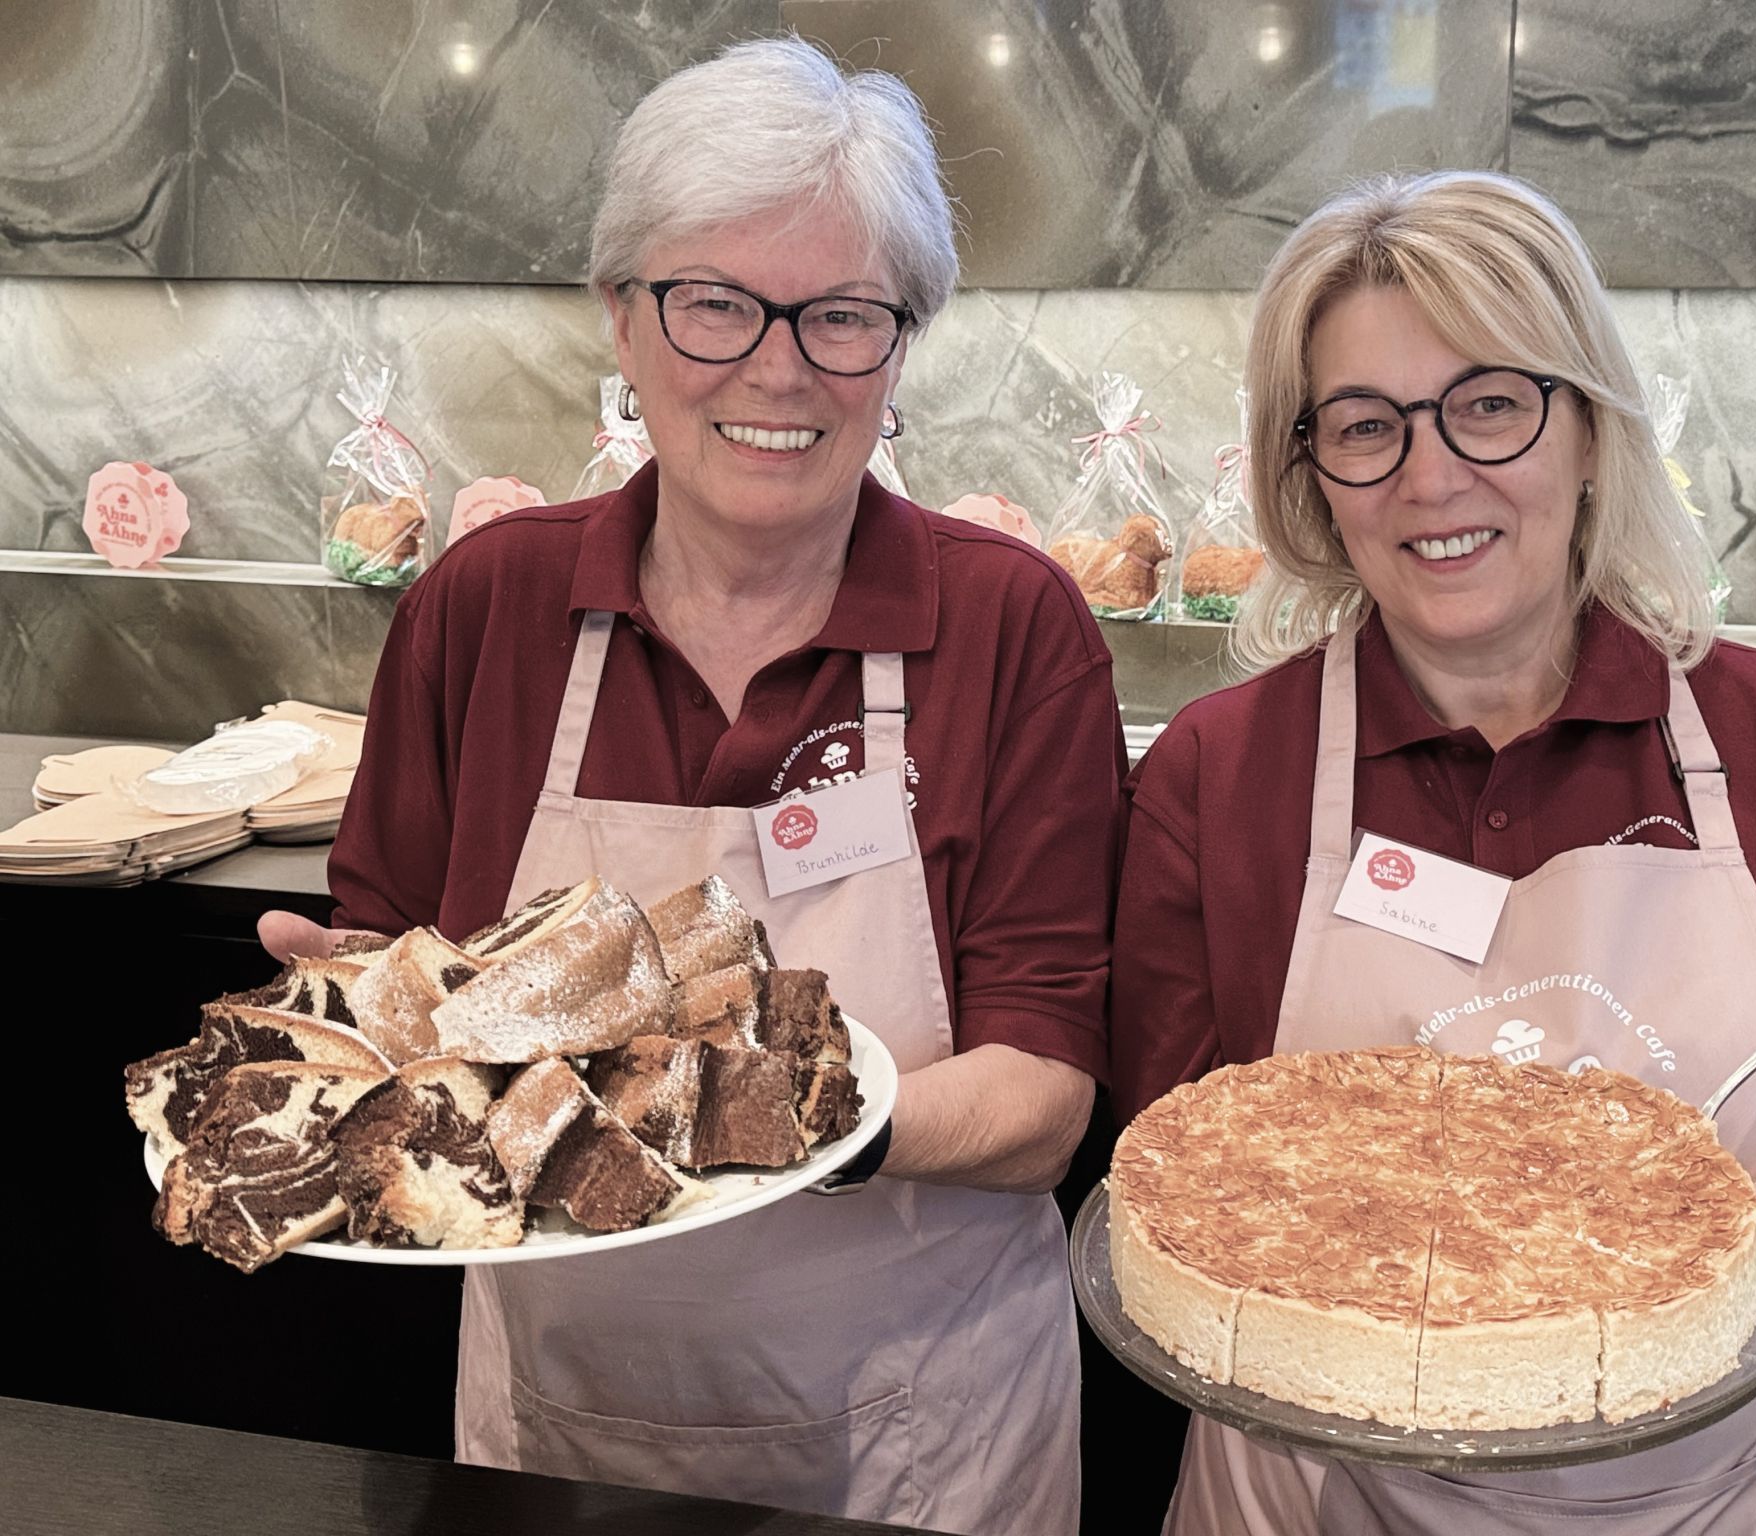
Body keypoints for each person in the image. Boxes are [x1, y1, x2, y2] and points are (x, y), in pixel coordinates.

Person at [263, 39, 1121, 1535]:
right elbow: (395, 973)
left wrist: (699, 1126)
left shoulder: (1010, 626)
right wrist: (352, 1017)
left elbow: (1043, 1098)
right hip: (559, 1421)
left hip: (925, 1431)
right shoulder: (485, 608)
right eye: (714, 303)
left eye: (844, 315)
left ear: (902, 344)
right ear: (622, 315)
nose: (777, 368)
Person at [1109, 170, 1756, 1534]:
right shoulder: (1217, 773)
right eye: (1366, 425)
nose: (1433, 478)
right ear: (1309, 473)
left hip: (1744, 1493)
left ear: (1592, 429)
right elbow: (1180, 1184)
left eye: (1492, 403)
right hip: (1317, 1503)